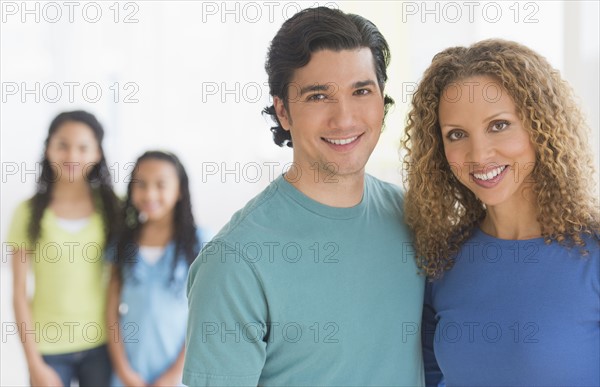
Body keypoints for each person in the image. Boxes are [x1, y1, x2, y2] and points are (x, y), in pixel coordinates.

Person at [183, 6, 424, 386]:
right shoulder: (234, 262)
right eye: (317, 96)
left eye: (361, 90)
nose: (344, 118)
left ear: (382, 100)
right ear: (283, 110)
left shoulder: (413, 218)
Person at [402, 39, 600, 386]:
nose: (478, 154)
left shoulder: (592, 255)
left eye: (499, 125)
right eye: (456, 134)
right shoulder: (443, 261)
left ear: (541, 127)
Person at [9, 110, 121, 386]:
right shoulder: (26, 212)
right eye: (63, 145)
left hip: (102, 345)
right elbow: (19, 293)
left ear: (97, 153)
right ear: (48, 148)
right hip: (48, 350)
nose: (72, 156)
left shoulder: (114, 207)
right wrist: (34, 363)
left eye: (83, 147)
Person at [106, 151, 203, 386]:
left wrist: (172, 376)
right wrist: (124, 371)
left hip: (179, 375)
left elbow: (205, 316)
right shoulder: (123, 242)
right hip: (129, 374)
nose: (150, 194)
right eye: (141, 185)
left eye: (161, 185)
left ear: (179, 190)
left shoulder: (200, 243)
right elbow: (111, 312)